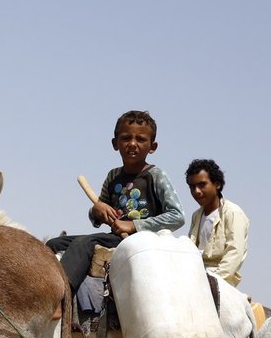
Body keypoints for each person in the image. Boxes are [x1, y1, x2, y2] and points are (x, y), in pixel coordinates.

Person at [45, 110, 184, 300]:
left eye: (141, 139)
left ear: (153, 146)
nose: (132, 144)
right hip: (116, 238)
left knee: (85, 243)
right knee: (54, 244)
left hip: (145, 241)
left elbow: (177, 216)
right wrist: (97, 211)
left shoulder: (156, 176)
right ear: (115, 143)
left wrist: (134, 225)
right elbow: (98, 214)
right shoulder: (112, 176)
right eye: (126, 138)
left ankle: (61, 296)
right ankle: (42, 286)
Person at [185, 158, 249, 286]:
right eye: (192, 187)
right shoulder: (196, 216)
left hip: (221, 280)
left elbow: (234, 253)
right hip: (196, 275)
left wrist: (214, 281)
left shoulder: (233, 213)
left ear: (217, 184)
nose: (196, 191)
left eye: (202, 185)